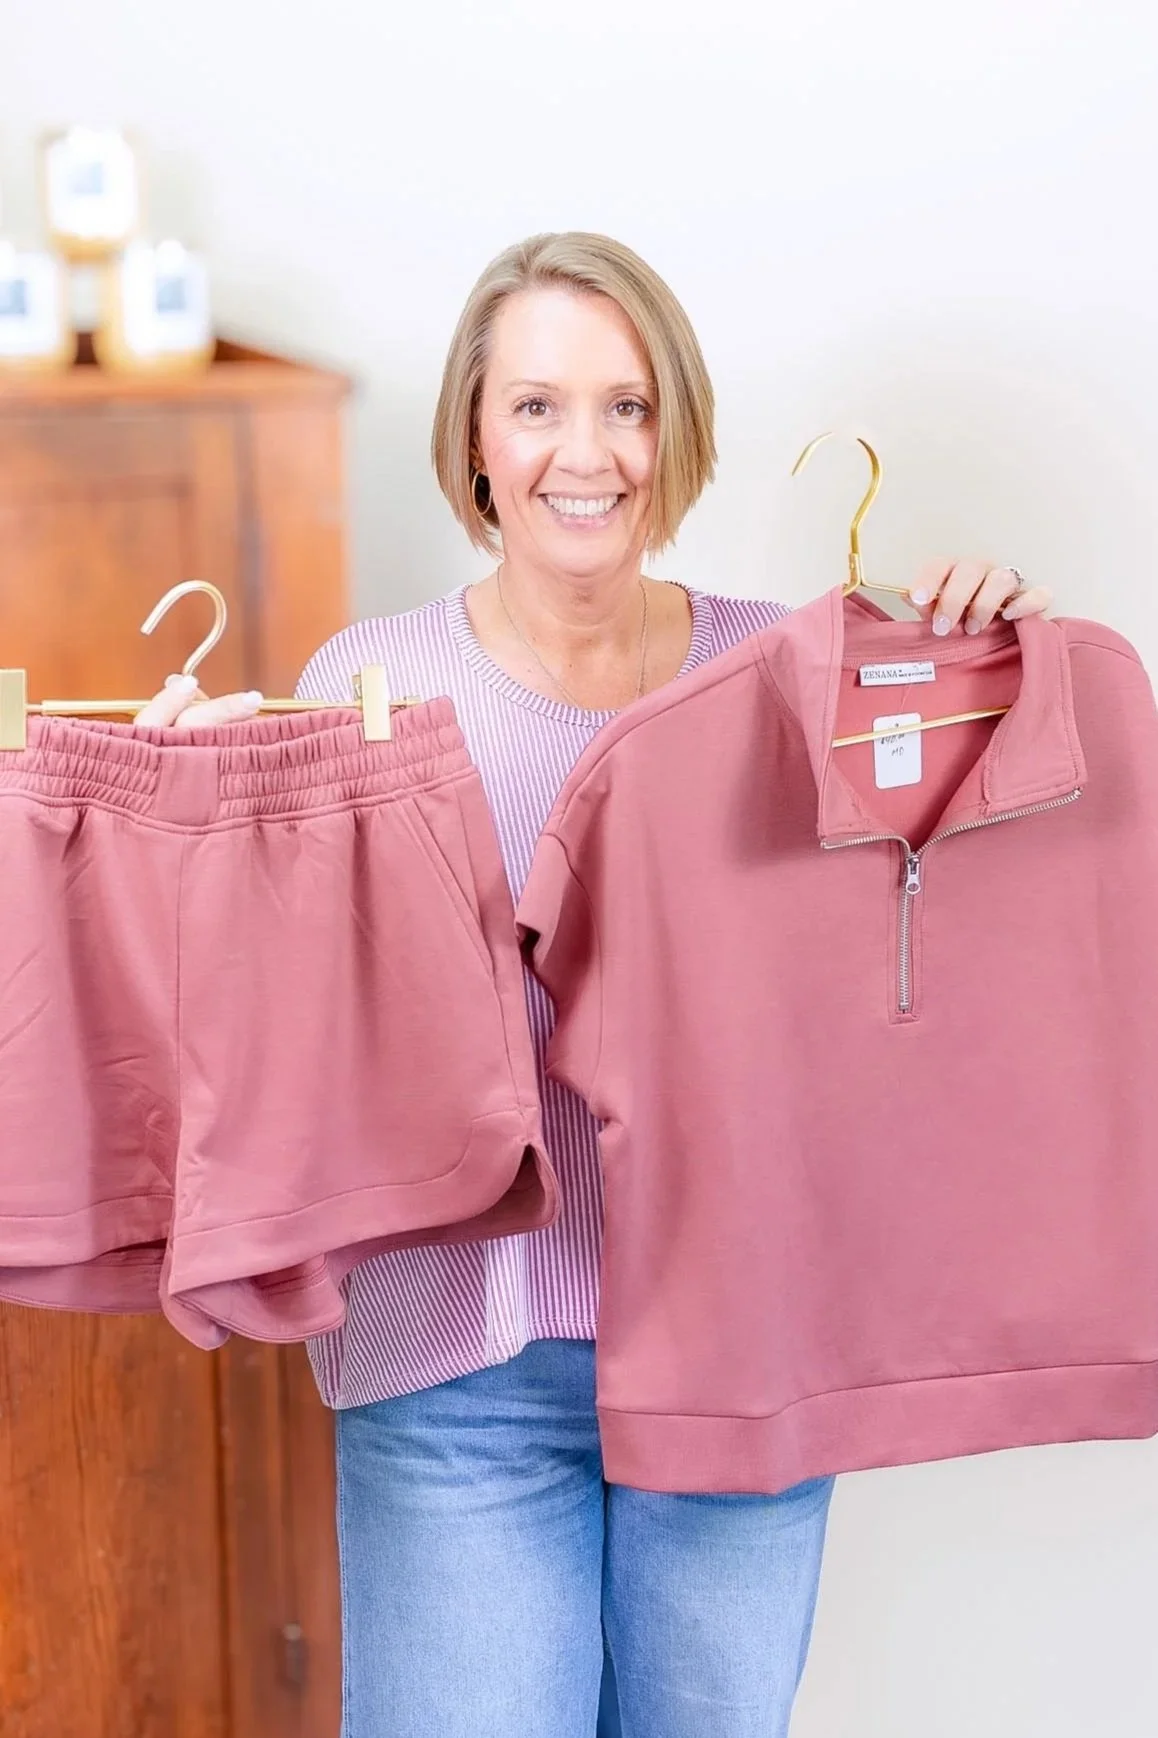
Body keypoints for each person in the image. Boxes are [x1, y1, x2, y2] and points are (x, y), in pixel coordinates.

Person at [135, 232, 1052, 1738]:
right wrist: (187, 802)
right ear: (477, 442)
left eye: (627, 407)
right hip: (457, 1367)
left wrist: (988, 669)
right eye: (539, 406)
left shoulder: (792, 677)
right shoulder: (369, 686)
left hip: (739, 1349)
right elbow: (263, 1021)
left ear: (672, 432)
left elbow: (956, 925)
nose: (587, 452)